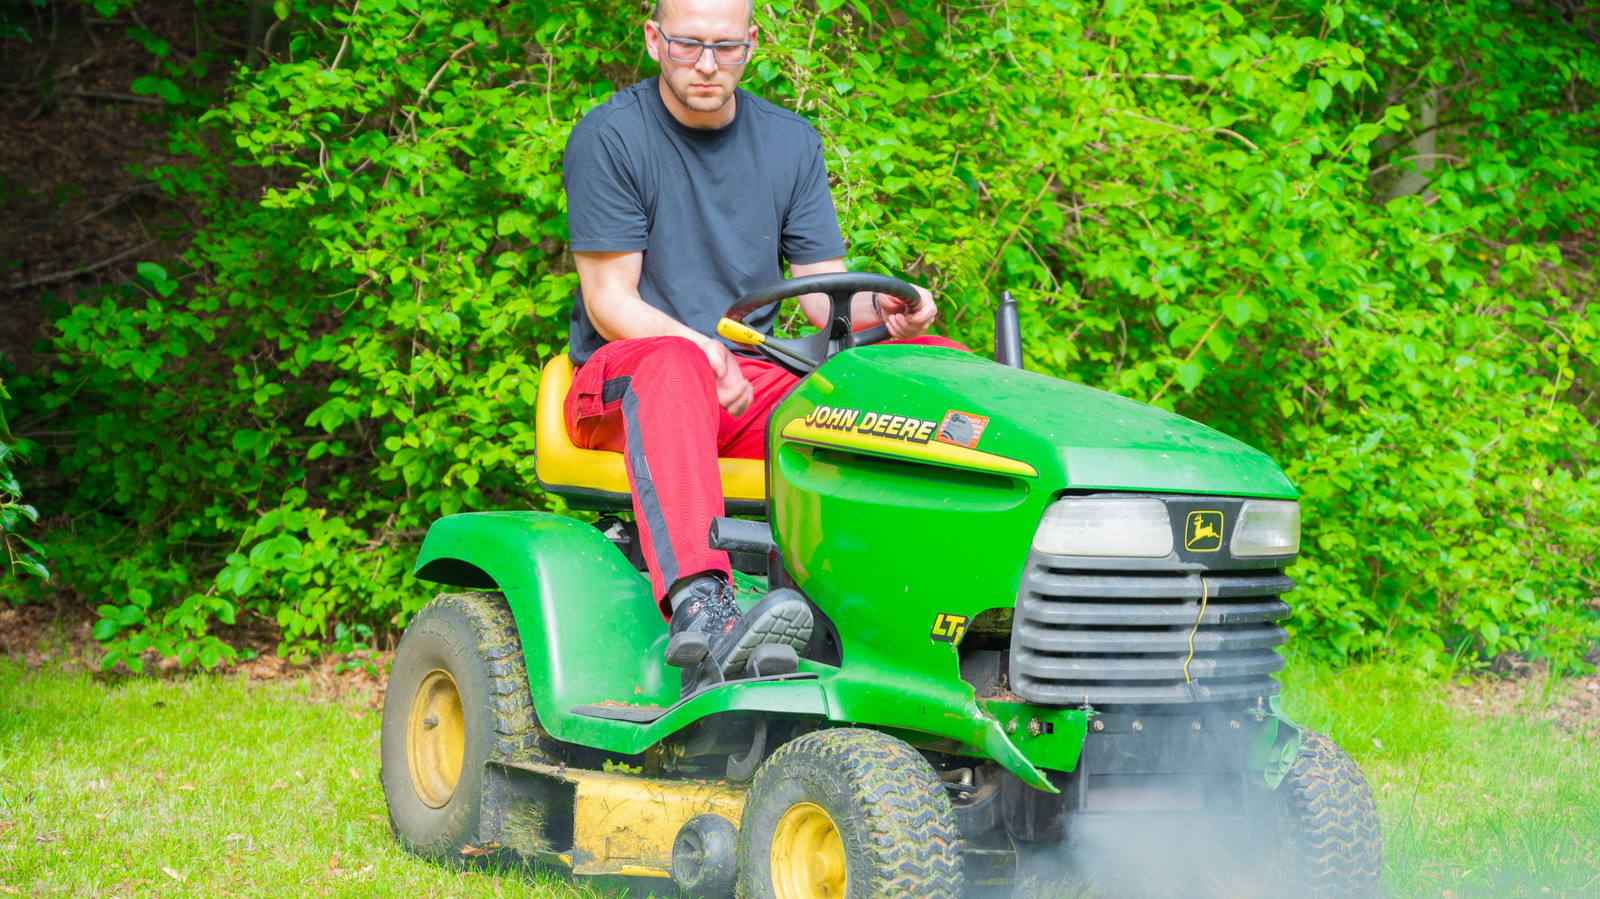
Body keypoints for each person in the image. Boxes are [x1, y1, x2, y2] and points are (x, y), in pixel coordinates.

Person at [561, 0, 958, 683]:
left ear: (752, 43)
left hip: (745, 386)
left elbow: (821, 297)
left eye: (726, 47)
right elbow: (609, 301)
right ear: (655, 40)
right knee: (676, 360)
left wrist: (890, 309)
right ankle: (703, 612)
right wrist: (702, 346)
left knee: (930, 370)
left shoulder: (789, 142)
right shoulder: (610, 137)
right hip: (627, 381)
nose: (707, 65)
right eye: (688, 46)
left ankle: (918, 606)